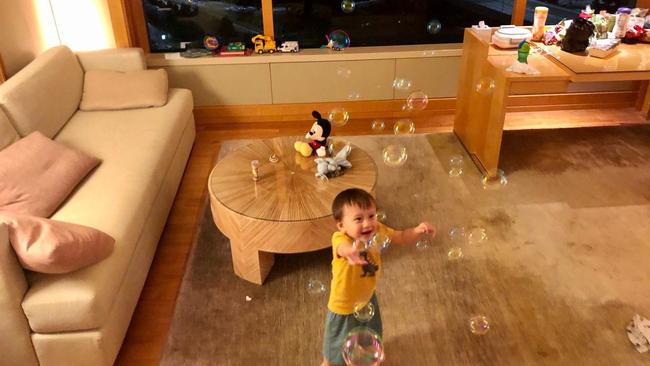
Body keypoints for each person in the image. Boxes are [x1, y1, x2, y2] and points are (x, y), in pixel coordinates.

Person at [321, 188, 435, 366]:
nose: (367, 224)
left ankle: (366, 353)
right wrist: (350, 251)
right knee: (336, 345)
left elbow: (401, 237)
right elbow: (340, 247)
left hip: (367, 298)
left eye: (371, 216)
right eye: (358, 219)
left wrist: (417, 230)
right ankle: (328, 363)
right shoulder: (340, 238)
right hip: (343, 305)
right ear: (341, 225)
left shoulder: (379, 231)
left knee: (369, 331)